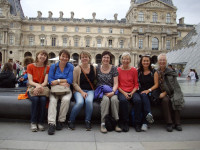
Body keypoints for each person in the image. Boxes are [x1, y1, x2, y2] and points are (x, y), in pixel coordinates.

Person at [48, 49, 74, 135]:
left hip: (66, 90)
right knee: (52, 101)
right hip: (55, 90)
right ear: (59, 57)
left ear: (68, 58)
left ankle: (61, 120)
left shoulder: (70, 67)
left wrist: (58, 81)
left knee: (66, 100)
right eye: (63, 56)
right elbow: (50, 80)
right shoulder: (53, 66)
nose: (64, 58)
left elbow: (70, 80)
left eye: (66, 57)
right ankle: (51, 123)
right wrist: (63, 82)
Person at [95, 51, 121, 133]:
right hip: (102, 91)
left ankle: (116, 123)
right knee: (105, 100)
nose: (106, 59)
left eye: (108, 58)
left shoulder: (113, 68)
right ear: (102, 58)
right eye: (104, 57)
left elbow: (116, 83)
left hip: (112, 90)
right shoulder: (97, 68)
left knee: (114, 100)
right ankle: (103, 123)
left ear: (110, 59)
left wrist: (113, 92)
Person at [68, 51, 96, 131]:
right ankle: (71, 120)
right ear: (80, 59)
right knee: (80, 102)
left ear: (89, 58)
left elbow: (95, 81)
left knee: (89, 101)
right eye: (83, 57)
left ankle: (87, 121)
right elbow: (74, 83)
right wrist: (81, 92)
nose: (84, 59)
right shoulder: (77, 69)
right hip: (79, 90)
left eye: (86, 57)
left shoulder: (93, 68)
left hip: (90, 90)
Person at [157, 53, 184, 132]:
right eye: (161, 60)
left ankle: (177, 123)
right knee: (165, 100)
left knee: (176, 99)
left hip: (172, 91)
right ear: (158, 61)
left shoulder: (171, 71)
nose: (162, 61)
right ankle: (169, 122)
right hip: (161, 93)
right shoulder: (156, 72)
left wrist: (166, 92)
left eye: (164, 60)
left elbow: (175, 85)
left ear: (166, 61)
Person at [117, 52, 142, 132]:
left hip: (132, 91)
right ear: (121, 60)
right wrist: (125, 93)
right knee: (123, 101)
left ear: (130, 60)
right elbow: (117, 85)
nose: (126, 61)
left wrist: (131, 93)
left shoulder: (134, 70)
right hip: (122, 91)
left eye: (127, 59)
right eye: (124, 59)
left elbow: (136, 84)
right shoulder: (118, 70)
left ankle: (137, 123)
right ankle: (125, 122)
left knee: (138, 101)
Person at [27, 50, 50, 132]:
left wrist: (39, 87)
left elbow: (45, 82)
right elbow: (30, 81)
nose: (43, 56)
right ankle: (33, 122)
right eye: (41, 54)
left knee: (43, 100)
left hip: (42, 88)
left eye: (45, 55)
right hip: (33, 87)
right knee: (36, 99)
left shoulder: (47, 67)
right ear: (37, 55)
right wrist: (37, 86)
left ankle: (40, 122)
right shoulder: (30, 66)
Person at [137, 55, 159, 131]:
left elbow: (156, 85)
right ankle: (146, 120)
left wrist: (148, 90)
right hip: (141, 92)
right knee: (143, 96)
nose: (146, 62)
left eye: (147, 61)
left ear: (150, 62)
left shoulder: (154, 72)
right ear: (141, 62)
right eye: (144, 61)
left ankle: (145, 122)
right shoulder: (138, 71)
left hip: (151, 92)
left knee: (144, 96)